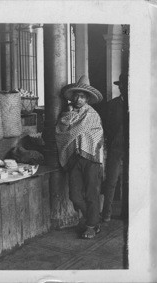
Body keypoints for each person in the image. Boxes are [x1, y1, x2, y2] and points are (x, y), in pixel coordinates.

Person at [55, 75, 104, 239]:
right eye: (76, 95)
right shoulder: (66, 115)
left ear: (87, 99)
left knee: (91, 193)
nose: (78, 99)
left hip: (90, 158)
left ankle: (91, 225)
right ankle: (94, 219)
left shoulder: (92, 115)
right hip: (74, 159)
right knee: (74, 195)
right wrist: (69, 117)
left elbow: (97, 136)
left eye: (82, 96)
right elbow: (61, 133)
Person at [101, 73, 128, 222]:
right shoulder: (111, 105)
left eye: (127, 85)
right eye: (122, 85)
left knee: (129, 181)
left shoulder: (140, 105)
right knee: (111, 181)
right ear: (120, 87)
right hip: (115, 148)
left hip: (132, 150)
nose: (124, 88)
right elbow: (105, 126)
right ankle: (106, 214)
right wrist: (111, 142)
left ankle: (126, 213)